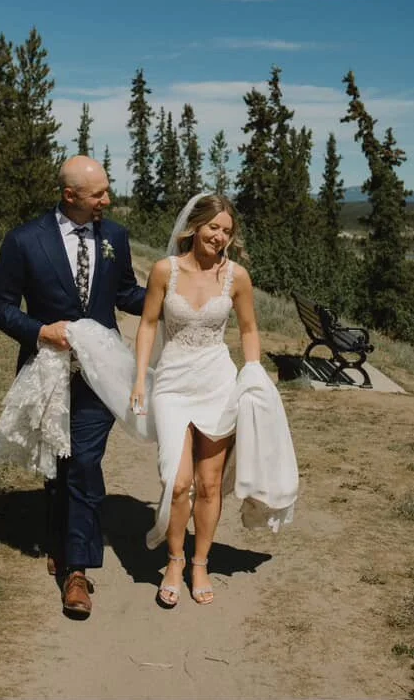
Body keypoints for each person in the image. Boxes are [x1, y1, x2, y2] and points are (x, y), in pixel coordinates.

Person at [0, 156, 145, 619]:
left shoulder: (113, 236)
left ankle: (77, 569)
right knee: (58, 461)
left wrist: (171, 292)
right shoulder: (23, 240)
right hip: (47, 370)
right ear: (70, 194)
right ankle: (59, 536)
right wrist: (40, 332)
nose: (108, 201)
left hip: (101, 373)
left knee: (84, 459)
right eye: (99, 194)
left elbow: (125, 294)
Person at [129, 193, 263, 608]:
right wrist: (139, 380)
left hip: (218, 382)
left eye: (227, 231)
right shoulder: (164, 271)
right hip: (172, 383)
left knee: (208, 484)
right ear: (194, 227)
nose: (220, 237)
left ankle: (199, 563)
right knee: (178, 479)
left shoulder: (236, 277)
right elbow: (149, 324)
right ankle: (173, 560)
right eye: (213, 228)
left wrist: (253, 374)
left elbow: (249, 330)